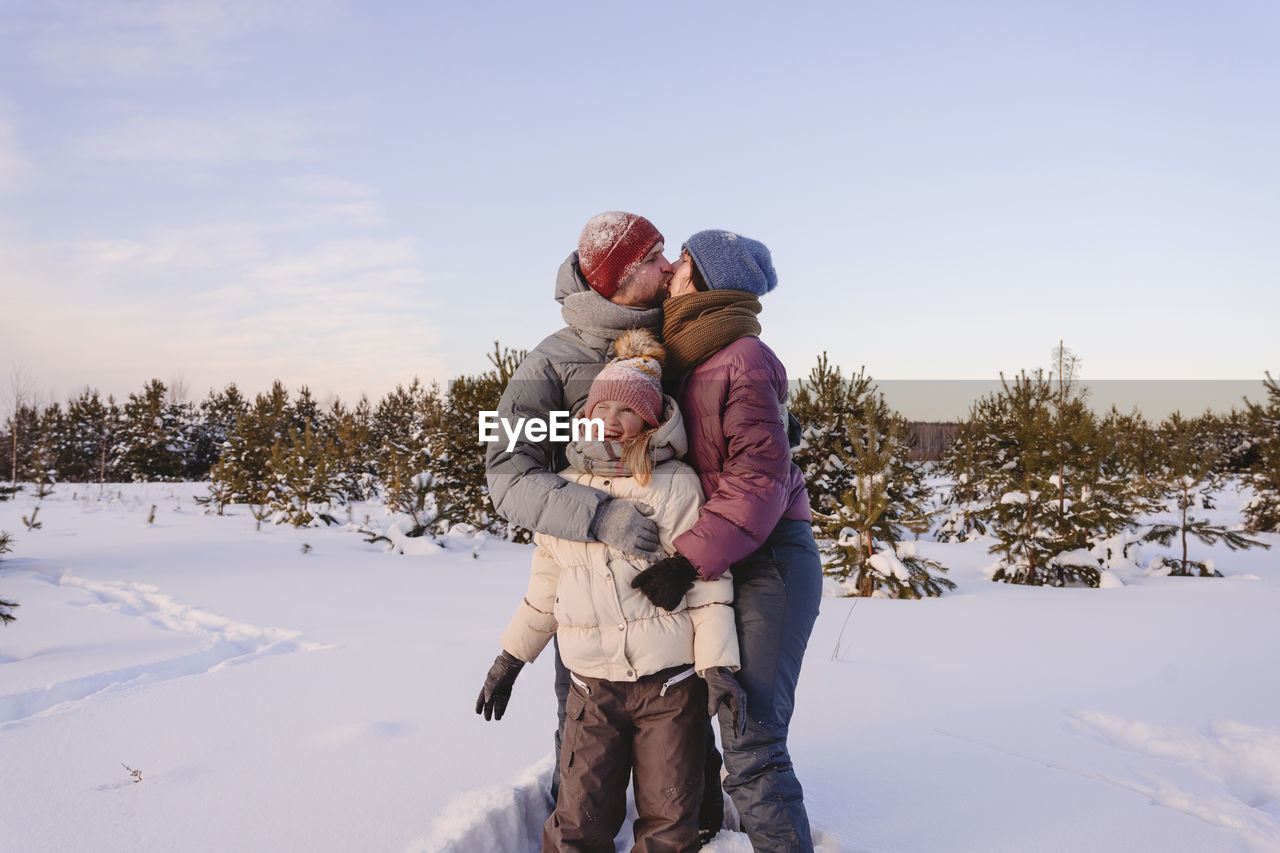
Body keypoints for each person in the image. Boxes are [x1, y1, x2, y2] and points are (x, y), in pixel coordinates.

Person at [476, 330, 747, 852]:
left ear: (651, 418)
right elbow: (545, 588)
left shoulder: (676, 485)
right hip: (590, 689)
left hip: (668, 686)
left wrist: (716, 667)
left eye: (628, 409)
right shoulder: (564, 491)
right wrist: (510, 658)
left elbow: (708, 584)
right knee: (579, 820)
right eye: (603, 405)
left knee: (669, 821)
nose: (611, 419)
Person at [630, 231, 823, 852]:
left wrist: (686, 560)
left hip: (769, 559)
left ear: (705, 280)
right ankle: (713, 834)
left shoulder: (739, 357)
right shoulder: (688, 356)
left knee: (752, 735)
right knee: (714, 715)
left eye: (681, 263)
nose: (670, 275)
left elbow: (759, 481)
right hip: (726, 557)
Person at [483, 211, 676, 796]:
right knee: (583, 767)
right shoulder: (547, 362)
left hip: (681, 594)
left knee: (681, 762)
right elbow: (507, 475)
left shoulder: (682, 341)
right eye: (654, 258)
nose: (670, 267)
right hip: (588, 595)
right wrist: (601, 517)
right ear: (619, 276)